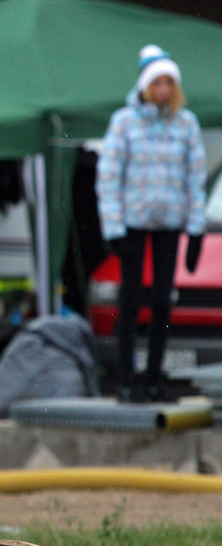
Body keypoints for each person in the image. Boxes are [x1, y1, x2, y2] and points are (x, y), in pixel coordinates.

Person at [97, 44, 206, 403]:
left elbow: (195, 179)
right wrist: (113, 227)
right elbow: (109, 176)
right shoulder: (124, 122)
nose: (163, 90)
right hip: (134, 221)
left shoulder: (186, 123)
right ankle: (126, 378)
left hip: (169, 222)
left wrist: (195, 229)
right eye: (157, 83)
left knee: (162, 301)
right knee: (130, 300)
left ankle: (155, 377)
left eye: (168, 84)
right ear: (145, 86)